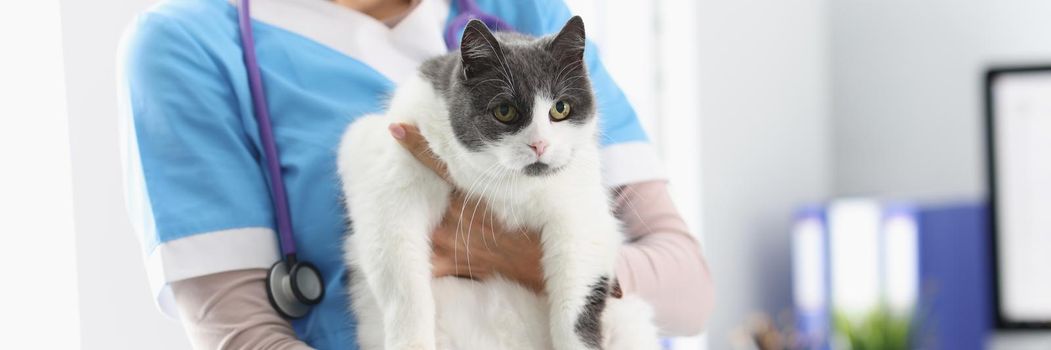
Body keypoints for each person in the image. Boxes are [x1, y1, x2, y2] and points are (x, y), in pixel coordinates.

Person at [118, 0, 714, 348]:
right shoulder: (187, 47)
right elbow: (242, 334)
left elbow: (690, 292)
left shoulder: (526, 15)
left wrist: (528, 260)